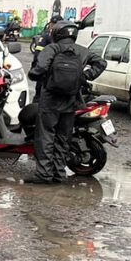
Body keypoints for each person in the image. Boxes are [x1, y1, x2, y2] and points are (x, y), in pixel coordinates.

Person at [27, 22, 106, 184]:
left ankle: (44, 175)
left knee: (46, 137)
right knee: (63, 138)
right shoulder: (83, 51)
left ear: (57, 34)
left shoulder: (52, 49)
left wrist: (34, 75)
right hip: (71, 101)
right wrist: (84, 77)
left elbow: (39, 68)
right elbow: (101, 63)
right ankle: (59, 174)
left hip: (50, 100)